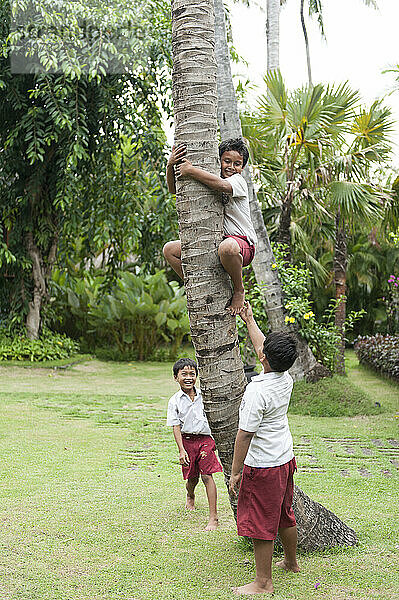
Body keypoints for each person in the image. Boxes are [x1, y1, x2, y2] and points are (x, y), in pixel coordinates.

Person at [229, 303, 300, 596]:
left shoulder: (257, 390)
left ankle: (263, 583)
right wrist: (249, 319)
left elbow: (244, 435)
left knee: (260, 523)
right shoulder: (285, 377)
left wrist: (235, 474)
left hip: (263, 465)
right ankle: (291, 563)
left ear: (264, 359)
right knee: (285, 512)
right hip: (284, 458)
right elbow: (264, 349)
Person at [163, 138, 257, 315]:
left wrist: (190, 170)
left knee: (228, 247)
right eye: (226, 161)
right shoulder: (209, 178)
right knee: (170, 250)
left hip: (242, 245)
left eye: (237, 164)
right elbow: (174, 190)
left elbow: (222, 185)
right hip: (215, 243)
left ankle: (239, 289)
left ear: (242, 168)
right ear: (218, 160)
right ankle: (194, 285)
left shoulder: (238, 181)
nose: (231, 167)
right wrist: (170, 165)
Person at [166, 357, 223, 531]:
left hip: (206, 441)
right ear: (176, 377)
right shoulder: (174, 401)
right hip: (188, 442)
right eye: (184, 374)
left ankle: (213, 518)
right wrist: (181, 450)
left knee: (207, 476)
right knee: (192, 478)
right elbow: (176, 426)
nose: (188, 377)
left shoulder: (205, 396)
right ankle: (190, 495)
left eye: (192, 373)